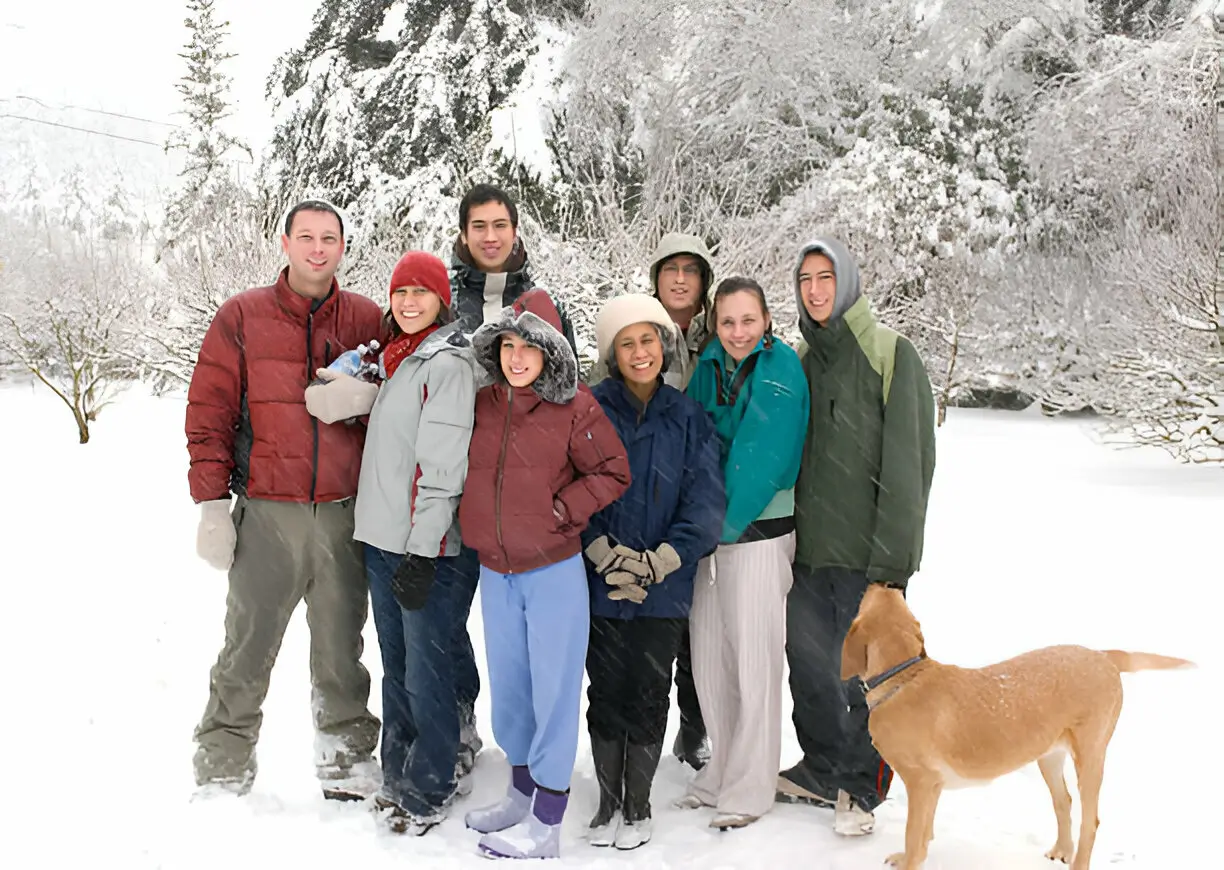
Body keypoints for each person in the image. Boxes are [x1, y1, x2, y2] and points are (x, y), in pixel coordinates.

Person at [187, 198, 382, 799]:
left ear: (342, 247)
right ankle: (223, 763)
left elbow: (407, 401)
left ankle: (347, 759)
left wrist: (368, 402)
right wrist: (212, 506)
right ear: (285, 242)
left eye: (329, 238)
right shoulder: (242, 316)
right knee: (247, 645)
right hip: (268, 512)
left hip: (345, 514)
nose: (318, 249)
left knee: (342, 649)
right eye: (306, 237)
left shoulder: (367, 318)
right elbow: (210, 411)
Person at [457, 289, 631, 860]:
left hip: (553, 571)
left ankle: (548, 822)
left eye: (529, 347)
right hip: (496, 570)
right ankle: (519, 795)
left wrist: (562, 509)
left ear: (551, 352)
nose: (516, 357)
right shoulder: (484, 401)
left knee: (554, 691)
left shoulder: (574, 407)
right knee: (511, 690)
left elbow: (613, 471)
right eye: (508, 345)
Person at [776, 237, 936, 836]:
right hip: (808, 552)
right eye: (805, 280)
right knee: (810, 668)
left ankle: (863, 784)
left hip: (867, 558)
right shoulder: (799, 359)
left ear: (847, 282)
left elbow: (909, 464)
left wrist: (892, 566)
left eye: (826, 278)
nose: (815, 290)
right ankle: (822, 768)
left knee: (871, 676)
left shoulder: (890, 354)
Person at [581, 294, 725, 850]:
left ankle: (637, 804)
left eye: (648, 340)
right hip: (601, 581)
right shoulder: (590, 410)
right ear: (612, 354)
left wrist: (659, 560)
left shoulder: (688, 417)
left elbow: (703, 504)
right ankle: (607, 802)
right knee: (604, 689)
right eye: (627, 343)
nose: (640, 352)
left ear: (663, 346)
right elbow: (570, 488)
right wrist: (603, 553)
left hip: (664, 587)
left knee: (649, 689)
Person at [445, 183, 578, 779]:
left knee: (528, 641)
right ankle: (458, 725)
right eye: (479, 226)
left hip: (524, 499)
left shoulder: (542, 302)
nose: (491, 236)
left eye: (500, 224)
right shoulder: (445, 303)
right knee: (450, 622)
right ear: (464, 233)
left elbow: (568, 393)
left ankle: (539, 762)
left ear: (516, 230)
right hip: (456, 488)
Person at [351, 251, 477, 835]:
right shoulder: (398, 360)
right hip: (382, 540)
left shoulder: (446, 364)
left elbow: (442, 467)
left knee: (427, 670)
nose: (408, 302)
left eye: (420, 292)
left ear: (440, 301)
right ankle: (397, 774)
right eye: (400, 292)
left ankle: (430, 783)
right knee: (396, 665)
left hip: (424, 547)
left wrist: (424, 548)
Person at [678, 276, 809, 830]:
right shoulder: (707, 366)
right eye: (727, 321)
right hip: (708, 533)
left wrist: (717, 523)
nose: (737, 332)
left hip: (757, 530)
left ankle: (752, 785)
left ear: (767, 321)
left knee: (755, 661)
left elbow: (762, 457)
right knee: (711, 658)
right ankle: (722, 769)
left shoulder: (781, 369)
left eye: (748, 320)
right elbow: (692, 439)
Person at [645, 232, 717, 770]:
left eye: (690, 270)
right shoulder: (638, 329)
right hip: (648, 494)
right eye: (671, 269)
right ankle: (645, 729)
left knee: (701, 629)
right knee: (653, 627)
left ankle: (695, 728)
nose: (679, 279)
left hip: (704, 491)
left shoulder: (722, 332)